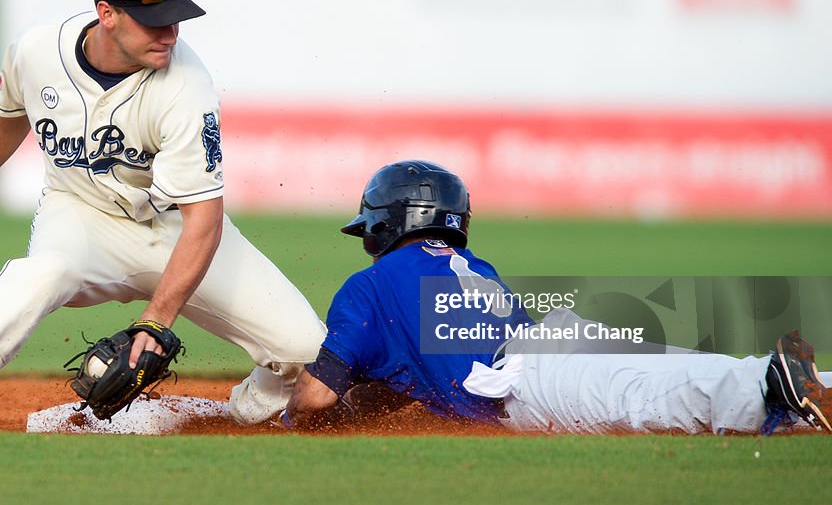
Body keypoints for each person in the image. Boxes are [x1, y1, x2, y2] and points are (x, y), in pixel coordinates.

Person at [0, 0, 327, 432]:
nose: (170, 33)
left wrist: (156, 323)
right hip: (79, 213)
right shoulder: (37, 50)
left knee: (303, 346)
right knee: (42, 272)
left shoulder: (186, 87)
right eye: (153, 21)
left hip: (171, 228)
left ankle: (240, 414)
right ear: (107, 13)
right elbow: (7, 115)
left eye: (175, 19)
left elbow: (203, 219)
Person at [282, 160, 832, 435]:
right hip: (556, 339)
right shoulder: (475, 268)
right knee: (672, 369)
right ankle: (791, 382)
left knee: (642, 403)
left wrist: (286, 423)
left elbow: (314, 398)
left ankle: (767, 381)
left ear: (385, 223)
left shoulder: (370, 286)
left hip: (529, 380)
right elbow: (416, 372)